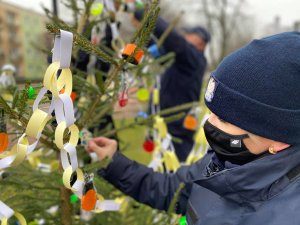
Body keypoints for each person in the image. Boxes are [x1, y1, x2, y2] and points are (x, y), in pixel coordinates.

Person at [88, 32, 300, 224]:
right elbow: (172, 189)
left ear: (279, 139)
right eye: (211, 112)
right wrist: (113, 162)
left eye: (224, 120)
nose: (208, 123)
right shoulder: (219, 163)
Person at [133, 10, 210, 161]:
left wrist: (145, 14)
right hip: (165, 124)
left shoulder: (194, 59)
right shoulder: (181, 60)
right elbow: (161, 51)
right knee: (164, 168)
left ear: (200, 43)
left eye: (189, 35)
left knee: (177, 168)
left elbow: (173, 40)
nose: (184, 37)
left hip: (177, 127)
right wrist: (142, 28)